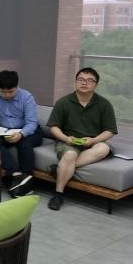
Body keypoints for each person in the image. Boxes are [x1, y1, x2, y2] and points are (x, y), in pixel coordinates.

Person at [46, 67, 117, 210]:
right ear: (75, 82)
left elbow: (110, 131)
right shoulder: (63, 102)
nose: (85, 83)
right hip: (68, 141)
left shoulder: (104, 104)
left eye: (90, 81)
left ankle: (59, 169)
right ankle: (58, 194)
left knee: (103, 148)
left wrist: (94, 140)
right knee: (70, 154)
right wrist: (66, 138)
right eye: (81, 79)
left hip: (92, 142)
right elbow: (53, 127)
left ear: (96, 85)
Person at [0, 70, 42, 197]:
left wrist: (21, 134)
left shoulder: (26, 97)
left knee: (24, 145)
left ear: (16, 87)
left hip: (29, 130)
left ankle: (26, 178)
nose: (7, 95)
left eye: (11, 91)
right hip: (6, 130)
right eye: (3, 92)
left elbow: (32, 123)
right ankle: (15, 174)